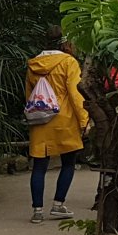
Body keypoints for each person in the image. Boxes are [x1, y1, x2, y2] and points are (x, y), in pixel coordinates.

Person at [24, 26, 89, 224]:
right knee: (68, 163)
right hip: (64, 120)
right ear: (66, 42)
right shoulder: (69, 62)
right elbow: (75, 93)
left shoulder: (34, 64)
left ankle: (37, 210)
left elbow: (29, 94)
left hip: (40, 120)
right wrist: (84, 119)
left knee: (39, 166)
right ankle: (58, 205)